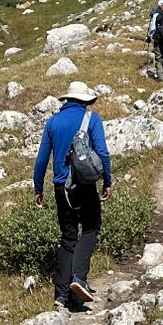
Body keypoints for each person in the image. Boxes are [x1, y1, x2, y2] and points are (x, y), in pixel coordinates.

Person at [32, 81, 113, 311]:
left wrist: (38, 188)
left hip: (61, 187)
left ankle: (61, 295)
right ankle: (78, 278)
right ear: (85, 101)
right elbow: (103, 153)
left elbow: (41, 159)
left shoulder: (53, 122)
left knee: (68, 237)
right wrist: (107, 181)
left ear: (67, 99)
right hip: (85, 185)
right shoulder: (92, 119)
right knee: (90, 228)